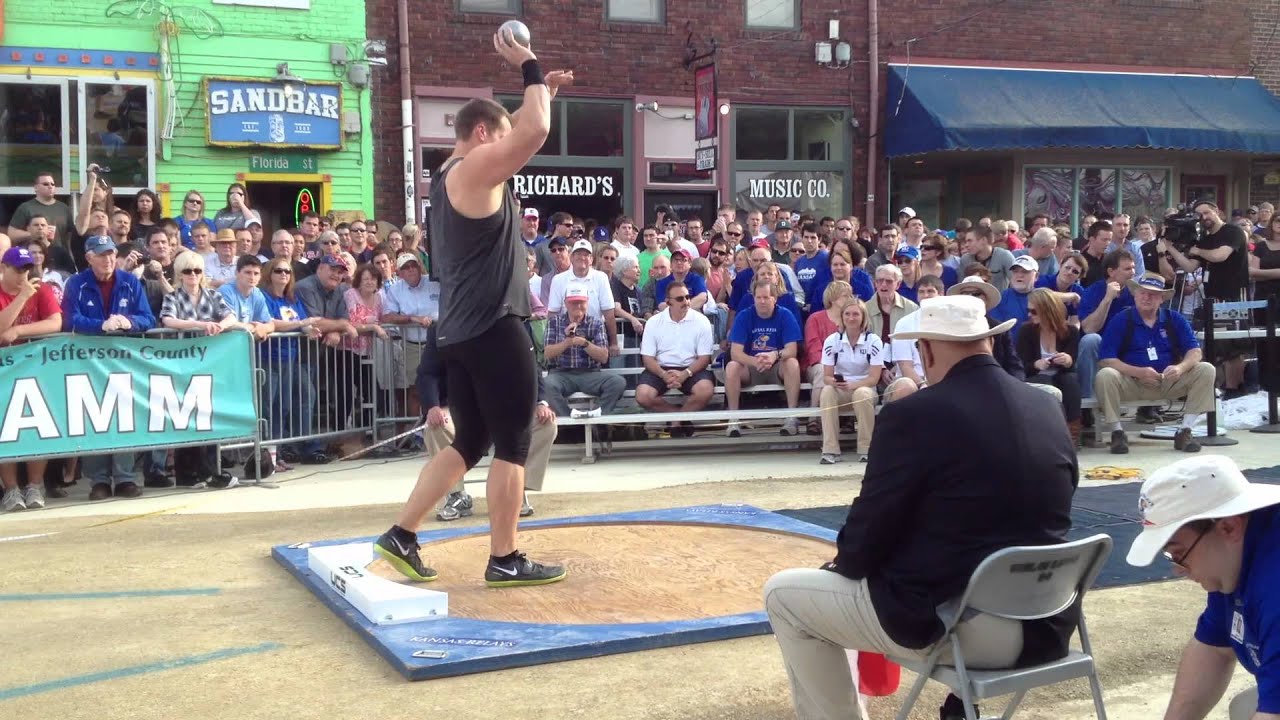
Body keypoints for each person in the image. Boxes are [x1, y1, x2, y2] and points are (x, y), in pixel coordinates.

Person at [765, 294, 1076, 720]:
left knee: (784, 596)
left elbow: (861, 546)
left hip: (955, 626)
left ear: (926, 349)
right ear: (986, 342)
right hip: (1048, 623)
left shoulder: (914, 415)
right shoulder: (1045, 405)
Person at [374, 33, 575, 588]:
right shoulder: (475, 172)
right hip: (493, 325)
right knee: (513, 442)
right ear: (483, 137)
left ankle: (402, 534)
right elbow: (530, 131)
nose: (508, 152)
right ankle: (505, 557)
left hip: (458, 330)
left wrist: (544, 92)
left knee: (470, 443)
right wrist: (530, 66)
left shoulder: (450, 176)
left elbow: (515, 125)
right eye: (498, 137)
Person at [1125, 455, 1280, 720]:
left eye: (1180, 553)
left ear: (1228, 527)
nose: (1178, 569)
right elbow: (1214, 648)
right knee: (1245, 709)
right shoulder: (1235, 559)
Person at [418, 328, 558, 521]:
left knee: (545, 425)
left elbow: (531, 368)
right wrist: (432, 407)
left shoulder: (514, 324)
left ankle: (515, 489)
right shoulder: (440, 328)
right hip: (458, 409)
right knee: (437, 427)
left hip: (506, 407)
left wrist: (540, 403)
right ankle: (456, 495)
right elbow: (428, 373)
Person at [61, 235, 155, 501]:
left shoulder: (130, 282)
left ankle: (125, 478)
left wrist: (128, 322)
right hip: (89, 362)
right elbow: (69, 320)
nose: (109, 259)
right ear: (89, 258)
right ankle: (98, 480)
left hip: (123, 361)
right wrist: (100, 325)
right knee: (94, 417)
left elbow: (148, 318)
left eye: (111, 254)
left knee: (124, 416)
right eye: (102, 255)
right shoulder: (76, 284)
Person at [1095, 272, 1217, 454]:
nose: (1146, 297)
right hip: (1132, 382)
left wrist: (1179, 368)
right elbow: (1106, 359)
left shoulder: (1174, 319)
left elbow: (1195, 351)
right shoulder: (1121, 319)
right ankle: (1117, 433)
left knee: (1206, 369)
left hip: (1168, 380)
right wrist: (1138, 372)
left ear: (1161, 299)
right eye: (1142, 292)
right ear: (1135, 295)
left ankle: (1185, 431)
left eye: (1152, 294)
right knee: (1105, 375)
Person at [161, 251, 244, 489]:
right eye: (187, 271)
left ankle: (208, 471)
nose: (193, 275)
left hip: (209, 364)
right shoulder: (173, 297)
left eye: (197, 270)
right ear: (179, 274)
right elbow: (168, 320)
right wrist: (200, 324)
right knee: (185, 418)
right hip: (182, 363)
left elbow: (230, 315)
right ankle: (188, 474)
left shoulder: (213, 295)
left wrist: (220, 325)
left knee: (207, 417)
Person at [0, 247, 63, 511]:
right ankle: (11, 489)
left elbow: (55, 322)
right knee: (5, 429)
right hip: (5, 370)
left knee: (40, 424)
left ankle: (35, 485)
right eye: (18, 270)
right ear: (4, 268)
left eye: (27, 269)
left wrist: (22, 329)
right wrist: (22, 297)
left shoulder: (43, 289)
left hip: (36, 369)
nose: (23, 275)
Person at [258, 257, 329, 468]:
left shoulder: (291, 298)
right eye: (278, 271)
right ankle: (266, 457)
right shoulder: (264, 297)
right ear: (269, 273)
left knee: (283, 408)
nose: (283, 275)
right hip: (268, 358)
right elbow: (270, 323)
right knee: (268, 410)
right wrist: (299, 324)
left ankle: (277, 455)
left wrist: (309, 330)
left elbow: (302, 322)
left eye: (287, 272)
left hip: (290, 358)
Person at [635, 280, 716, 435]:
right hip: (660, 369)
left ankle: (675, 421)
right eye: (680, 299)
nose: (686, 302)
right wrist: (664, 374)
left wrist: (686, 373)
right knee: (643, 395)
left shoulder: (701, 321)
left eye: (687, 297)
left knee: (705, 390)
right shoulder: (653, 322)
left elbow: (704, 358)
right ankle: (679, 416)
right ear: (668, 302)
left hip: (692, 368)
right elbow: (647, 358)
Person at [725, 280, 803, 437]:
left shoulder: (785, 315)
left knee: (792, 363)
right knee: (732, 366)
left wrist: (774, 355)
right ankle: (733, 420)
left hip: (777, 366)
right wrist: (755, 361)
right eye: (758, 297)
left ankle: (792, 417)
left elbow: (792, 349)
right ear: (753, 298)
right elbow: (735, 352)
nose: (762, 301)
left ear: (774, 298)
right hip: (751, 367)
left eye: (766, 297)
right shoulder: (744, 316)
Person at [817, 297, 883, 465]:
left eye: (856, 314)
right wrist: (834, 382)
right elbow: (826, 376)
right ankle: (830, 449)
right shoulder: (832, 341)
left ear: (863, 317)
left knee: (861, 394)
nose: (851, 318)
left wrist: (853, 385)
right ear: (842, 316)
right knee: (827, 391)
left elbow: (874, 378)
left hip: (866, 388)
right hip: (842, 390)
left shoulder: (873, 341)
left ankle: (865, 449)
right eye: (847, 314)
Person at [542, 291, 625, 417]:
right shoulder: (554, 322)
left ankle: (599, 416)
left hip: (590, 373)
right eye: (574, 302)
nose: (578, 306)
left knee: (618, 383)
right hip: (561, 373)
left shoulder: (596, 323)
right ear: (566, 303)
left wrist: (584, 343)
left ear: (587, 303)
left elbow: (603, 357)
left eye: (581, 302)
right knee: (546, 385)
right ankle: (569, 419)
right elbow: (547, 354)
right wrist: (567, 342)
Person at [1017, 288, 1083, 446]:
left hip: (1061, 375)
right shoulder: (1026, 331)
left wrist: (1067, 360)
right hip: (1036, 376)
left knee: (1071, 381)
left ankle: (1072, 431)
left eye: (1033, 311)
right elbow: (1020, 366)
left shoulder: (1071, 331)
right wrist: (1035, 364)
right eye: (1028, 310)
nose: (1029, 314)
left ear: (1047, 311)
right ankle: (1052, 431)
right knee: (1043, 383)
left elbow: (1072, 363)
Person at [803, 281, 854, 435]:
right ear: (832, 298)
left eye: (850, 295)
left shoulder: (850, 320)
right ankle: (814, 417)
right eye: (845, 296)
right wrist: (830, 366)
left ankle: (848, 417)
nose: (850, 299)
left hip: (844, 366)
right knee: (821, 371)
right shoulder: (815, 318)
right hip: (817, 364)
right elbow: (813, 347)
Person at [7, 172, 74, 247]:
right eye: (45, 184)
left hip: (58, 255)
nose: (50, 186)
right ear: (36, 188)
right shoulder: (26, 207)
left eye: (53, 184)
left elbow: (70, 236)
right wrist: (34, 234)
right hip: (34, 253)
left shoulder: (63, 208)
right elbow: (12, 234)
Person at [959, 224, 1017, 291]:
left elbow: (1015, 282)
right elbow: (961, 286)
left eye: (970, 241)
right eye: (966, 241)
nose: (966, 245)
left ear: (983, 240)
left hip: (999, 299)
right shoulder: (965, 259)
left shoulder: (1004, 256)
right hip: (973, 299)